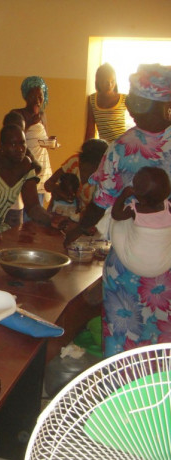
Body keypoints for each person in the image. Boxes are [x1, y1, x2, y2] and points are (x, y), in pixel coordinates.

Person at [65, 64, 171, 358]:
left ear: (166, 107)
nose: (134, 110)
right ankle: (124, 401)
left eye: (142, 103)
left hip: (166, 267)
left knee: (163, 347)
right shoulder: (121, 147)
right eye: (133, 102)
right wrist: (76, 229)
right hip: (126, 268)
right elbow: (102, 199)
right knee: (122, 347)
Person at [109, 166, 171, 277]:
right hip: (164, 264)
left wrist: (123, 196)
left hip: (135, 263)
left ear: (141, 198)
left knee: (116, 223)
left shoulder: (135, 210)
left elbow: (116, 215)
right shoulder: (169, 208)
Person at [12, 76, 53, 207]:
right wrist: (29, 123)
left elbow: (44, 138)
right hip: (25, 168)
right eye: (33, 96)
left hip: (41, 167)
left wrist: (51, 142)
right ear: (25, 96)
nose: (37, 100)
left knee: (37, 208)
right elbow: (13, 140)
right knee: (23, 210)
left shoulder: (42, 115)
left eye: (40, 96)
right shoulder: (17, 114)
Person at [44, 138, 109, 219]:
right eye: (84, 168)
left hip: (87, 220)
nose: (85, 173)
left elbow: (96, 212)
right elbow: (48, 184)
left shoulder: (105, 179)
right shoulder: (75, 161)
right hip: (63, 214)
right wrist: (60, 192)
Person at [84, 63, 131, 142]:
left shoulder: (124, 99)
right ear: (98, 81)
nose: (109, 85)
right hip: (105, 148)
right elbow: (90, 130)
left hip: (122, 145)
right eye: (106, 82)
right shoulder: (92, 100)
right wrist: (87, 150)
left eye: (112, 81)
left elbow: (139, 119)